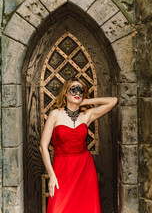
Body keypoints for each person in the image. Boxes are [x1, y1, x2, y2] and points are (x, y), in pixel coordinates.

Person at [39, 77, 118, 213]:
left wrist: (85, 102)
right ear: (65, 92)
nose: (77, 93)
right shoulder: (55, 114)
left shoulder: (88, 114)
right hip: (61, 170)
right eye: (73, 90)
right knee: (58, 208)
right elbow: (43, 146)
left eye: (81, 91)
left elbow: (113, 101)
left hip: (84, 169)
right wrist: (52, 175)